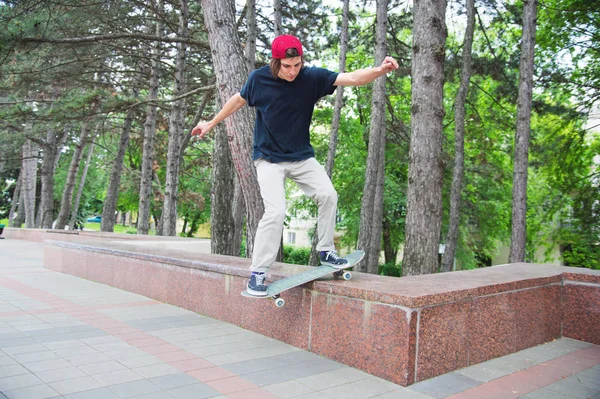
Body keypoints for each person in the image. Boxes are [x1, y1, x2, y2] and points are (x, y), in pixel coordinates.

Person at [192, 34, 398, 296]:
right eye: (286, 66)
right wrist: (210, 123)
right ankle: (258, 273)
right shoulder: (259, 79)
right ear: (276, 62)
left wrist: (380, 70)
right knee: (276, 212)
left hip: (301, 157)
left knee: (328, 195)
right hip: (268, 159)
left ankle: (325, 250)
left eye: (297, 65)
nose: (292, 72)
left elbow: (354, 78)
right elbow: (238, 100)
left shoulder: (311, 78)